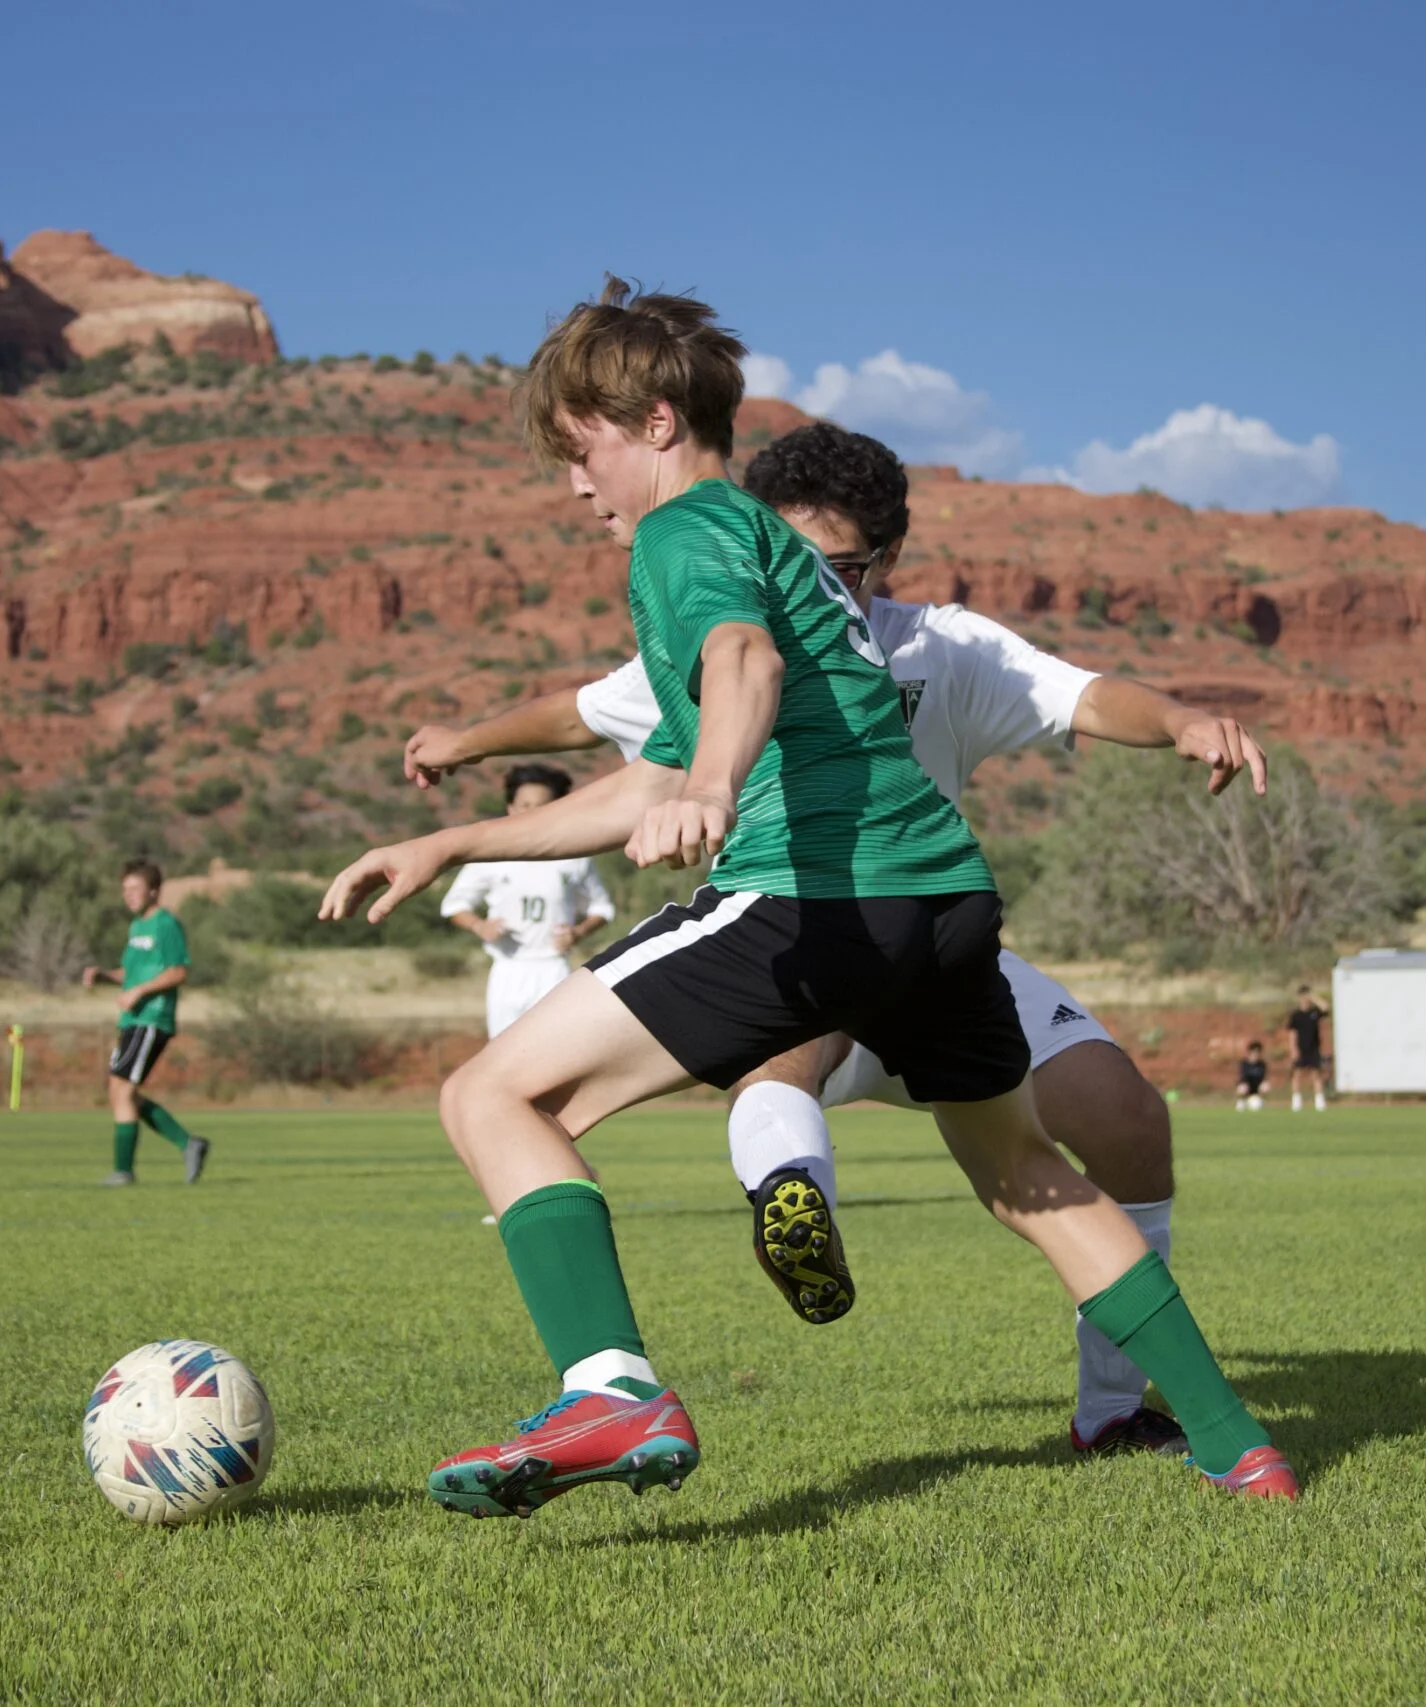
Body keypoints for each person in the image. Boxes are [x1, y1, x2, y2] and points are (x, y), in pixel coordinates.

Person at [319, 280, 1296, 1514]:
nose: (575, 484)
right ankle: (1235, 1445)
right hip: (942, 898)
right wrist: (456, 841)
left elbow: (741, 665)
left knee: (490, 1093)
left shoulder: (685, 536)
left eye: (582, 449)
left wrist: (716, 790)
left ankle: (610, 1387)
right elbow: (650, 771)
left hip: (814, 893)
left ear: (658, 421)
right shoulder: (786, 549)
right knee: (1018, 1171)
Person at [438, 764, 617, 1038]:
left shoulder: (574, 855)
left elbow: (601, 908)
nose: (532, 813)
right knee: (503, 1055)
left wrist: (578, 932)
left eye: (542, 806)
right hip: (508, 969)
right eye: (525, 805)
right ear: (510, 807)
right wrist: (480, 926)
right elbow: (454, 905)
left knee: (555, 1052)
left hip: (553, 969)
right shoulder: (491, 855)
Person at [81, 859, 209, 1187]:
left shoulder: (165, 924)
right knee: (120, 1092)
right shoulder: (137, 927)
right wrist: (104, 975)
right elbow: (131, 974)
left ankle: (124, 1171)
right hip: (133, 1018)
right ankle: (188, 1143)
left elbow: (178, 970)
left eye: (135, 889)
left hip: (153, 1019)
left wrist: (140, 991)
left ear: (154, 890)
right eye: (125, 890)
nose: (129, 895)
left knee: (121, 1090)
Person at [1284, 988, 1328, 1113]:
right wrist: (1293, 1049)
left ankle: (1319, 1102)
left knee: (1316, 1074)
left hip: (1313, 1048)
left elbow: (1325, 1007)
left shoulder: (1314, 1013)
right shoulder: (1296, 1015)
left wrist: (1313, 997)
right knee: (1297, 1074)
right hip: (1300, 1049)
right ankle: (1296, 1102)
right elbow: (1292, 1033)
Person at [1236, 1041, 1268, 1112]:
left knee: (1265, 1086)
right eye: (1254, 1052)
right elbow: (1242, 1077)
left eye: (1258, 1052)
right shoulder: (1244, 1063)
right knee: (1242, 1088)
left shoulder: (1262, 1064)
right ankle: (1242, 1102)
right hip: (1247, 1087)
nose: (1256, 1054)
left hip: (1257, 1087)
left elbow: (1263, 1077)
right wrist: (1245, 1084)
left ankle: (1260, 1101)